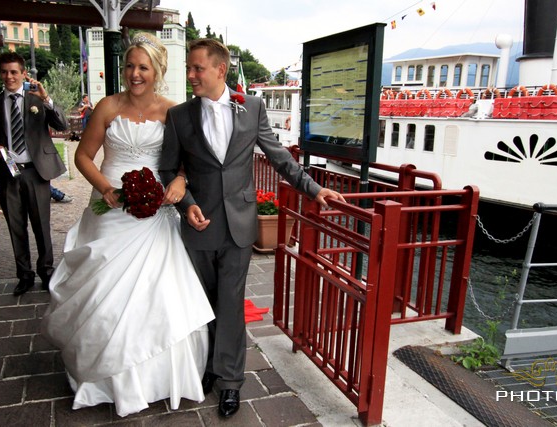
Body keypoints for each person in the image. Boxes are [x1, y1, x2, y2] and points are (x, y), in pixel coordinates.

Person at [160, 38, 345, 418]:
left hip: (241, 224)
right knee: (205, 301)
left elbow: (279, 157)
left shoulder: (252, 107)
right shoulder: (179, 116)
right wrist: (187, 205)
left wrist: (314, 188)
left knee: (230, 302)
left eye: (197, 68)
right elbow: (168, 170)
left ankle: (229, 380)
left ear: (220, 70)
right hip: (198, 224)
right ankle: (210, 364)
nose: (191, 75)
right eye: (189, 68)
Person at [40, 32, 214, 418]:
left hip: (157, 215)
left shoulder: (174, 111)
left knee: (161, 294)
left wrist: (180, 181)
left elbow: (186, 163)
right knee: (103, 288)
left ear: (158, 72)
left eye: (143, 67)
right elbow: (84, 157)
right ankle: (105, 378)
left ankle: (158, 378)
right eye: (130, 66)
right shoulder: (107, 106)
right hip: (111, 209)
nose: (135, 74)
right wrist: (106, 189)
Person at [0, 52, 68, 295]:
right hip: (8, 173)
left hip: (36, 171)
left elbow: (61, 124)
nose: (9, 76)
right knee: (16, 227)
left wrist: (47, 99)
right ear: (1, 74)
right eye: (4, 72)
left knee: (41, 225)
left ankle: (46, 271)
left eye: (14, 72)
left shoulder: (36, 99)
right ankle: (24, 275)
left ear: (23, 74)